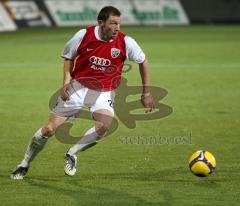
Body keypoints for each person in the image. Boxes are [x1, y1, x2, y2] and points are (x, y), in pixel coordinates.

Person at [11, 6, 154, 180]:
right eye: (113, 23)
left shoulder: (126, 42)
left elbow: (143, 61)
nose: (117, 28)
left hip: (104, 92)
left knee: (104, 126)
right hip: (78, 88)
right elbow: (69, 57)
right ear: (101, 23)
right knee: (49, 129)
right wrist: (65, 83)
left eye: (119, 24)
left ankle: (72, 153)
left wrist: (146, 93)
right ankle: (24, 163)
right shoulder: (83, 35)